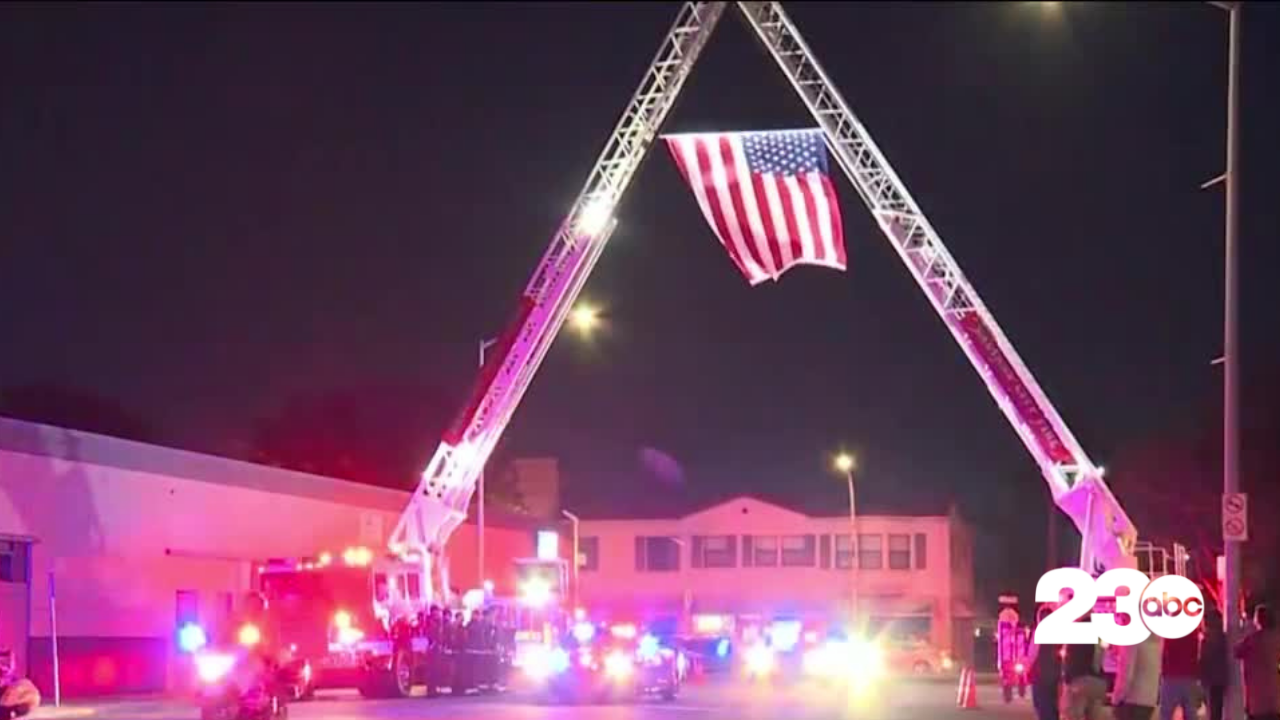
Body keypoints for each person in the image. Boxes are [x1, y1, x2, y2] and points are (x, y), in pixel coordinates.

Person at [1234, 603, 1280, 720]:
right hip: (1274, 696)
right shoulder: (1276, 638)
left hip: (1256, 698)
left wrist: (1243, 630)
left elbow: (1237, 651)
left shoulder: (1253, 639)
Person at [1062, 619, 1108, 720]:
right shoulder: (1099, 637)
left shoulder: (1076, 634)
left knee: (1074, 714)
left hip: (1079, 682)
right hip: (1097, 683)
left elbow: (1070, 659)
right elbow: (1100, 657)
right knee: (1094, 715)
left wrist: (1067, 680)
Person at [1113, 630, 1162, 720]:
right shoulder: (1157, 641)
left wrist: (1116, 698)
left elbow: (1126, 674)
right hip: (1149, 700)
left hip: (1131, 701)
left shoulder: (1132, 639)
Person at [1159, 623, 1202, 720]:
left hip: (1171, 675)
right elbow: (1197, 653)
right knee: (1191, 713)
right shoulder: (1193, 630)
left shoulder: (1170, 629)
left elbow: (1165, 654)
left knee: (1166, 713)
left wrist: (1163, 671)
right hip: (1190, 676)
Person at [1027, 604, 1062, 720]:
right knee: (1053, 706)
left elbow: (1033, 653)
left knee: (1041, 706)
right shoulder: (1059, 632)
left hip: (1040, 675)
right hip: (1055, 675)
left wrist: (1027, 667)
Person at [1200, 606, 1229, 720]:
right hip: (1220, 678)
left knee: (1213, 710)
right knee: (1217, 709)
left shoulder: (1207, 639)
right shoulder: (1224, 637)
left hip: (1211, 679)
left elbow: (1203, 659)